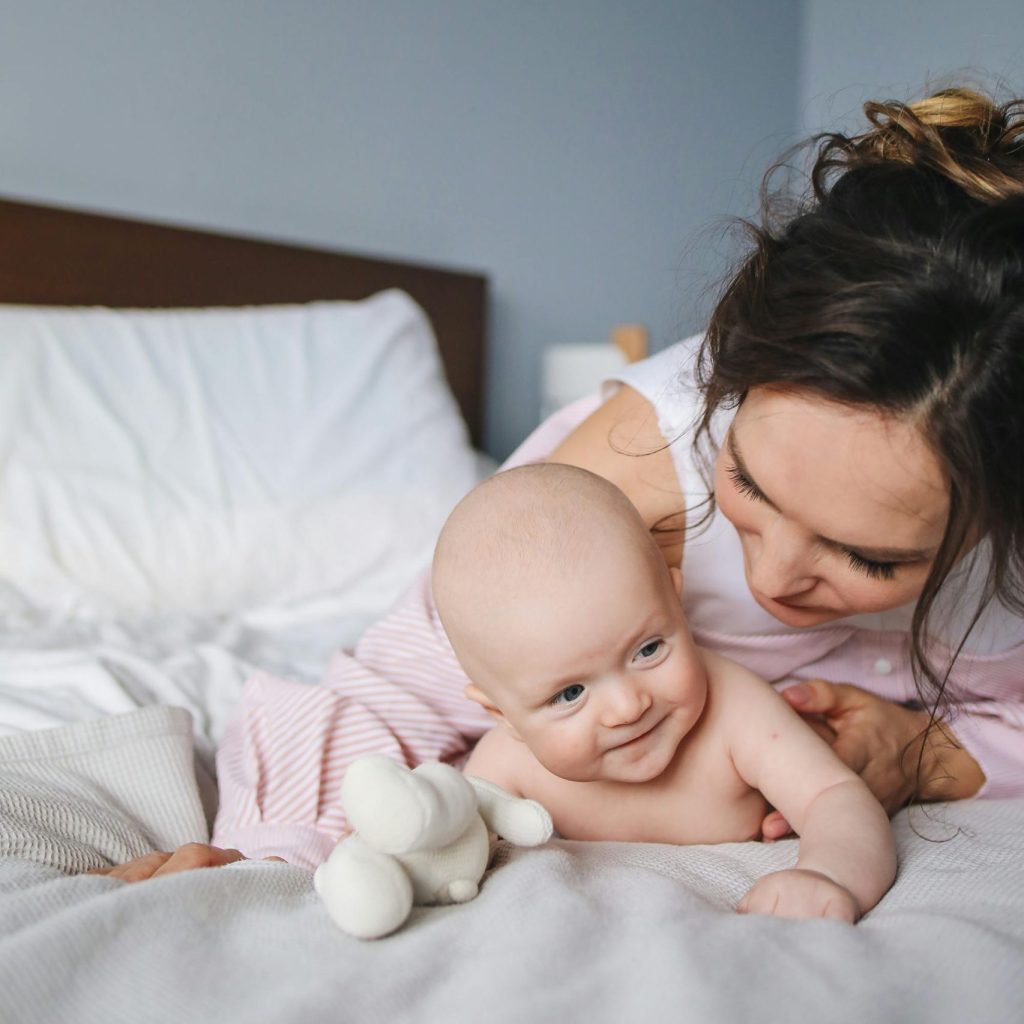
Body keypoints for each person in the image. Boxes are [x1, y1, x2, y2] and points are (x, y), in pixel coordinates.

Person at [104, 85, 1024, 880]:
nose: (775, 578)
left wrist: (929, 755)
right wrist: (281, 850)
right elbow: (396, 687)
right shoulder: (617, 483)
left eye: (868, 556)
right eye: (750, 484)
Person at [433, 462, 896, 922]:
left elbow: (834, 796)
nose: (627, 707)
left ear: (676, 602)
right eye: (570, 694)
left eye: (648, 649)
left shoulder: (735, 710)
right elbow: (449, 852)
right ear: (503, 715)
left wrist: (830, 875)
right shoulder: (508, 769)